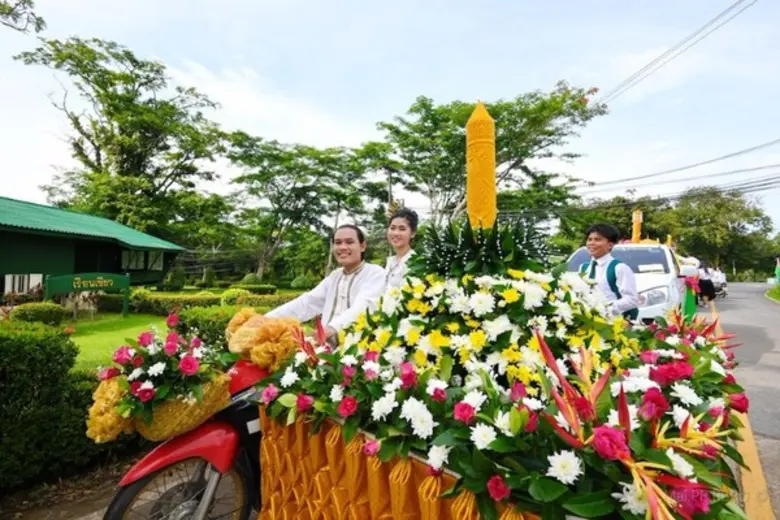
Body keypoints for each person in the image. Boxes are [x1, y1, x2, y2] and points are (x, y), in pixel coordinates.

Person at [265, 224, 385, 343]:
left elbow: (364, 306)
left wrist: (331, 329)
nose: (342, 247)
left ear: (362, 246)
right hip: (325, 348)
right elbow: (307, 302)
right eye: (338, 243)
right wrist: (266, 320)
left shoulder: (375, 273)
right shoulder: (334, 276)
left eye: (349, 242)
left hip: (360, 347)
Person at [578, 223, 640, 320]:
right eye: (589, 239)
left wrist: (604, 308)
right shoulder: (583, 268)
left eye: (597, 239)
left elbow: (631, 300)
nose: (591, 243)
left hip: (613, 322)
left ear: (610, 245)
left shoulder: (619, 268)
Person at [384, 208, 418, 289]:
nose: (396, 233)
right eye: (392, 228)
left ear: (413, 233)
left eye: (402, 229)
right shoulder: (390, 261)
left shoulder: (415, 262)